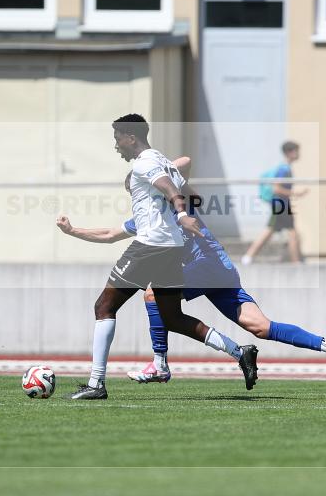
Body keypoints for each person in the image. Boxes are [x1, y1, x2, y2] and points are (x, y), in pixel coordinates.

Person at [57, 156, 326, 384]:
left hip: (209, 264)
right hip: (221, 272)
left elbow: (185, 161)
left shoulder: (179, 200)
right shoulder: (147, 220)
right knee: (261, 327)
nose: (136, 198)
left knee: (152, 293)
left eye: (137, 191)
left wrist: (160, 171)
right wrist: (73, 231)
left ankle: (160, 365)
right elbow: (109, 234)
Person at [69, 114, 258, 400]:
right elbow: (189, 193)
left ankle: (96, 383)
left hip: (150, 246)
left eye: (118, 138)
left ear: (131, 138)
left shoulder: (145, 163)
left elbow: (170, 190)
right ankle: (238, 351)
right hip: (171, 248)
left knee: (104, 307)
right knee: (172, 317)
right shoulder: (162, 160)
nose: (116, 145)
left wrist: (181, 214)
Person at [241, 141, 306, 265]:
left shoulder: (285, 167)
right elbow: (276, 188)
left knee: (272, 230)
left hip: (281, 203)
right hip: (281, 203)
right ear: (289, 152)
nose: (298, 154)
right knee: (291, 231)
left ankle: (248, 257)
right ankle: (296, 261)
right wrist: (295, 193)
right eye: (296, 151)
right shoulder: (284, 169)